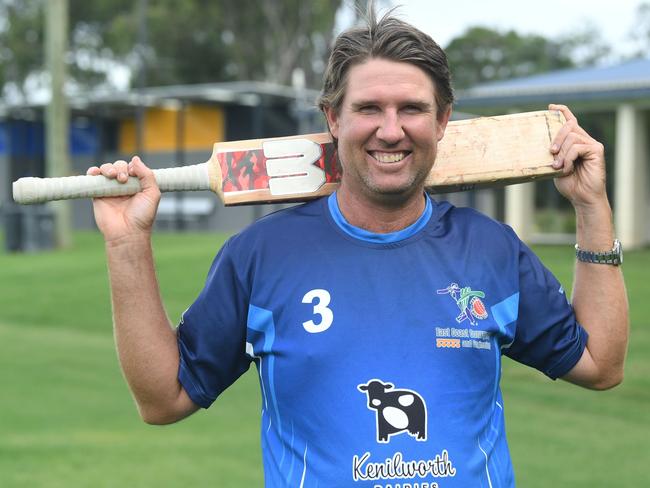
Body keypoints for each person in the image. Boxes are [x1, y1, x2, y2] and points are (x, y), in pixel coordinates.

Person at [88, 10, 628, 488]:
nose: (390, 131)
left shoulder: (490, 250)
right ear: (333, 118)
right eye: (369, 108)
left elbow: (599, 364)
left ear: (442, 121)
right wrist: (127, 243)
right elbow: (163, 400)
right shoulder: (260, 256)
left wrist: (591, 208)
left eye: (412, 109)